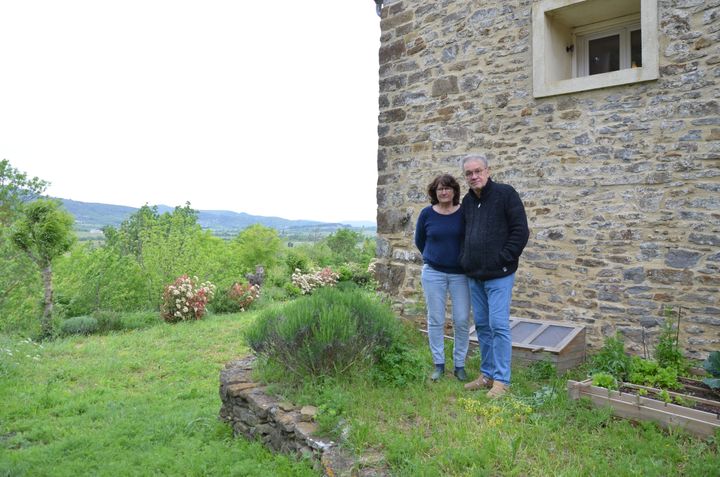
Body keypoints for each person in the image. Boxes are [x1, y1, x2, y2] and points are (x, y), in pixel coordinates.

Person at [460, 155, 529, 398]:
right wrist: (465, 260)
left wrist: (504, 258)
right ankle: (487, 375)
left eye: (478, 171)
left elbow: (520, 231)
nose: (473, 176)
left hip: (499, 274)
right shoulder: (467, 202)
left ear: (488, 171)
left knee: (498, 325)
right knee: (482, 326)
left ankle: (502, 381)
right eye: (469, 173)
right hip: (475, 275)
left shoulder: (505, 194)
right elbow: (463, 235)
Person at [415, 174, 470, 382]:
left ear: (454, 191)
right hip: (433, 273)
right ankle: (439, 364)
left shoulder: (464, 213)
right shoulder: (427, 214)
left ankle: (459, 365)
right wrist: (435, 258)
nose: (444, 192)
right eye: (439, 189)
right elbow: (420, 241)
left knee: (462, 320)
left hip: (461, 275)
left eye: (447, 188)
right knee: (436, 319)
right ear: (434, 192)